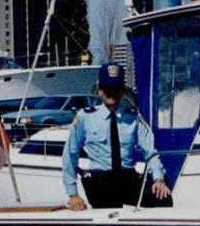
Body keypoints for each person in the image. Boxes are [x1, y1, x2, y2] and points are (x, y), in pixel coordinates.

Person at [62, 61, 173, 209]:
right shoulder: (85, 118)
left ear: (122, 90)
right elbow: (70, 155)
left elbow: (151, 153)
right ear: (99, 90)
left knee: (163, 199)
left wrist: (159, 179)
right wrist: (73, 194)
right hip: (101, 183)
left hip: (127, 179)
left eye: (115, 88)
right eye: (107, 88)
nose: (111, 92)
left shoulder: (133, 118)